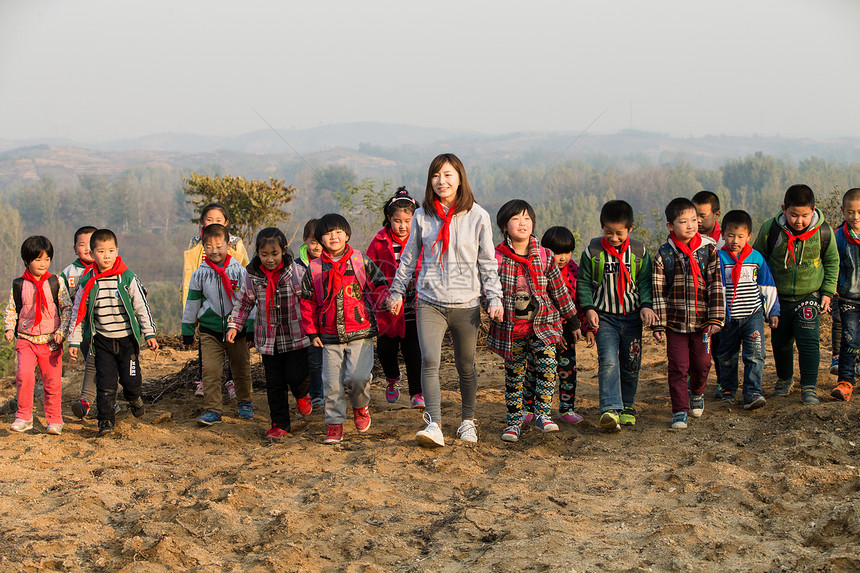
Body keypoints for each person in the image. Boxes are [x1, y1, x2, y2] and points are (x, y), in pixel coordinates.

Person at [385, 153, 504, 447]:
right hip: (430, 301)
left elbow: (488, 261)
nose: (442, 181)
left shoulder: (478, 216)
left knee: (466, 364)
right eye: (436, 176)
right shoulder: (421, 215)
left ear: (460, 178)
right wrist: (397, 291)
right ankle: (434, 423)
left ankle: (467, 421)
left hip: (467, 304)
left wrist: (494, 297)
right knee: (429, 360)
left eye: (448, 175)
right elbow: (409, 257)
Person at [488, 200, 578, 442]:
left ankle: (543, 414)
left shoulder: (545, 255)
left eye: (527, 219)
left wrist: (573, 320)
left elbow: (559, 290)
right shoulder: (497, 257)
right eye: (516, 219)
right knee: (514, 377)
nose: (522, 223)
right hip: (511, 330)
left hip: (543, 326)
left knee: (548, 367)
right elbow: (487, 287)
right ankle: (514, 423)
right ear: (504, 226)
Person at [300, 214, 389, 444]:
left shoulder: (360, 260)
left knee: (358, 378)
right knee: (332, 385)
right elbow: (307, 302)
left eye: (338, 232)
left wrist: (387, 303)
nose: (334, 237)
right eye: (328, 234)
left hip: (361, 332)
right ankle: (334, 424)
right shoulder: (315, 268)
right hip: (329, 336)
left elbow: (379, 285)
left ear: (347, 235)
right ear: (320, 239)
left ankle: (360, 406)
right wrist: (312, 331)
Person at [752, 184, 838, 405]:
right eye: (793, 215)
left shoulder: (823, 231)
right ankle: (784, 379)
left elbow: (832, 262)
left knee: (808, 341)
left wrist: (827, 292)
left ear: (813, 210)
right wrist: (761, 294)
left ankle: (808, 386)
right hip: (777, 298)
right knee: (780, 342)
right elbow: (758, 260)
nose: (799, 221)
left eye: (804, 216)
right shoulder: (769, 229)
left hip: (809, 295)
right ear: (783, 209)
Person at [68, 229, 159, 436]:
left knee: (130, 380)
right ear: (92, 254)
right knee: (105, 384)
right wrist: (73, 341)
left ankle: (134, 397)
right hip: (102, 342)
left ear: (117, 251)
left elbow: (141, 307)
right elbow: (77, 313)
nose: (106, 256)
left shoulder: (127, 277)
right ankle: (106, 421)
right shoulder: (87, 282)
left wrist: (149, 333)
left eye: (110, 250)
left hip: (127, 340)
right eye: (101, 251)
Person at [228, 227, 313, 441]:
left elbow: (311, 300)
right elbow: (244, 302)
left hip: (296, 336)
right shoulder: (252, 275)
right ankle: (280, 424)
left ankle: (302, 394)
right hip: (268, 339)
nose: (270, 259)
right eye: (264, 254)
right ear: (257, 252)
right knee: (274, 384)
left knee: (296, 376)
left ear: (284, 250)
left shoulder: (297, 272)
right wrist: (234, 325)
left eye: (274, 254)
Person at [578, 200, 656, 431]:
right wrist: (589, 308)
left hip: (632, 318)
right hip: (605, 318)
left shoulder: (640, 253)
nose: (613, 237)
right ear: (602, 227)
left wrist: (646, 305)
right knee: (609, 362)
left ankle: (628, 406)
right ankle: (611, 409)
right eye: (608, 232)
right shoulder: (592, 252)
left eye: (619, 233)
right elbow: (583, 283)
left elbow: (644, 283)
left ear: (630, 229)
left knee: (631, 363)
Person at [652, 198, 725, 430]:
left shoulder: (708, 249)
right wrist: (659, 323)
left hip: (703, 322)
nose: (691, 225)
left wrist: (715, 317)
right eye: (683, 221)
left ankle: (697, 392)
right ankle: (680, 411)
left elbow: (716, 284)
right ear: (670, 226)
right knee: (677, 367)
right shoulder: (664, 253)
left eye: (694, 220)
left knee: (702, 363)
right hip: (675, 323)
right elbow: (658, 291)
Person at [181, 224, 254, 426]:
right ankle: (212, 409)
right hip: (209, 330)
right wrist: (187, 329)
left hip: (236, 329)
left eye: (219, 246)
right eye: (209, 246)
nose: (214, 250)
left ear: (228, 245)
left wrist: (250, 327)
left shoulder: (239, 271)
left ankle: (245, 402)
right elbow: (192, 303)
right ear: (203, 247)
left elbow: (248, 300)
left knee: (241, 368)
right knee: (210, 371)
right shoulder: (200, 274)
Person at [4, 236, 72, 434]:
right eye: (38, 259)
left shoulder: (55, 282)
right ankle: (24, 416)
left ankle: (54, 419)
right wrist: (9, 328)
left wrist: (62, 332)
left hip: (51, 341)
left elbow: (67, 308)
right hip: (26, 339)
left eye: (47, 259)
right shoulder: (19, 285)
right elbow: (11, 309)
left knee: (52, 382)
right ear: (27, 261)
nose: (43, 264)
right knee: (24, 376)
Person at [366, 187, 425, 409]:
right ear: (389, 219)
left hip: (414, 304)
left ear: (415, 219)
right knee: (386, 349)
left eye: (408, 220)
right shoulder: (379, 242)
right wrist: (382, 298)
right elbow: (370, 273)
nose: (402, 226)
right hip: (387, 305)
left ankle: (417, 393)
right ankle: (392, 379)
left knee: (413, 350)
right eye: (397, 220)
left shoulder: (420, 239)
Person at [526, 226, 591, 425]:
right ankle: (528, 408)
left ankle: (566, 408)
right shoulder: (539, 272)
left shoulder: (575, 271)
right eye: (556, 252)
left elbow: (579, 303)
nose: (562, 257)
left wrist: (587, 328)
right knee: (534, 371)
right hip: (541, 331)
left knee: (567, 370)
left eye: (567, 252)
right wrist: (553, 333)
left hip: (568, 332)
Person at [715, 210, 780, 410]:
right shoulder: (718, 258)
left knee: (755, 354)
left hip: (753, 315)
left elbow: (767, 285)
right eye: (730, 235)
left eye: (740, 236)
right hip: (728, 318)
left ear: (749, 236)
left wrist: (773, 311)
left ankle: (752, 392)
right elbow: (714, 288)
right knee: (726, 355)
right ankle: (727, 389)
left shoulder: (756, 258)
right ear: (723, 235)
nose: (735, 240)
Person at [59, 226, 102, 419]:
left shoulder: (107, 268)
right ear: (75, 248)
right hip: (80, 328)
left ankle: (92, 400)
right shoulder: (69, 272)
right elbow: (60, 299)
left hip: (102, 327)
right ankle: (102, 399)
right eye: (82, 245)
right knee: (93, 362)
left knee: (99, 362)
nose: (87, 249)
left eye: (90, 244)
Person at [830, 188, 860, 401]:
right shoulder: (838, 237)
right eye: (850, 212)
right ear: (843, 211)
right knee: (849, 339)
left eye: (859, 212)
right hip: (848, 297)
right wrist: (831, 293)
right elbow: (832, 266)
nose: (855, 217)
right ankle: (846, 382)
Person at [296, 218, 325, 407]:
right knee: (312, 360)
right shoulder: (296, 266)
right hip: (304, 322)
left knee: (327, 360)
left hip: (328, 320)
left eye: (320, 242)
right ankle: (315, 393)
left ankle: (322, 392)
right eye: (313, 242)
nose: (317, 246)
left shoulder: (331, 262)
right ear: (305, 239)